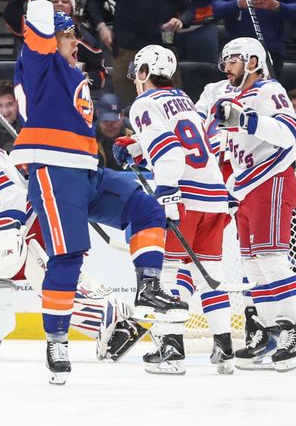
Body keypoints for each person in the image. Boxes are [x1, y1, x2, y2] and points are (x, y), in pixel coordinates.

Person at [13, 0, 187, 384]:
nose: (75, 40)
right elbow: (36, 32)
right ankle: (56, 341)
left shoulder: (75, 74)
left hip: (87, 172)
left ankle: (148, 285)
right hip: (54, 173)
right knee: (68, 255)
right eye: (68, 35)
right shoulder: (39, 65)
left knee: (146, 208)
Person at [0, 120, 146, 359]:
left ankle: (118, 323)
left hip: (32, 220)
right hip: (14, 230)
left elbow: (5, 191)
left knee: (49, 277)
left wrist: (9, 224)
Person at [113, 45, 234, 376]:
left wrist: (165, 197)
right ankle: (225, 347)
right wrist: (138, 150)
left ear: (142, 73)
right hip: (214, 196)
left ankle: (172, 350)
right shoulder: (183, 99)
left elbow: (169, 154)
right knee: (209, 274)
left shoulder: (144, 103)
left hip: (184, 197)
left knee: (165, 274)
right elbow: (188, 143)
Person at [210, 37, 296, 372]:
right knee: (253, 267)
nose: (227, 67)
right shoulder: (231, 97)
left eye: (234, 60)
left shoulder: (269, 90)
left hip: (271, 181)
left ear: (253, 63)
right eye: (225, 60)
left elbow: (291, 132)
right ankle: (271, 332)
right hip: (245, 187)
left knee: (272, 260)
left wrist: (246, 121)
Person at [95, 93, 132, 170]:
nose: (110, 125)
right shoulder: (89, 137)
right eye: (105, 121)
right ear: (98, 114)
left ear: (122, 115)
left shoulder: (134, 134)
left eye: (114, 120)